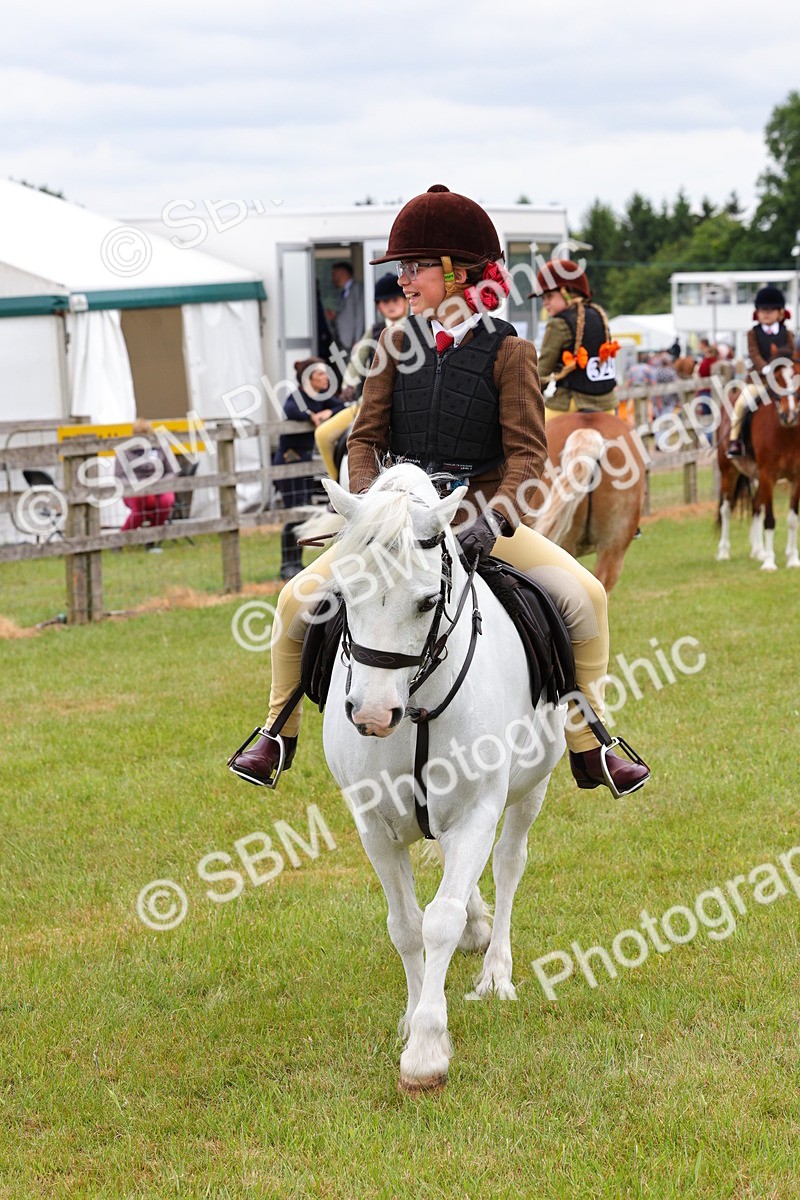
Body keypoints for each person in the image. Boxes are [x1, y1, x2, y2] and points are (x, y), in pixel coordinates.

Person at [229, 184, 649, 799]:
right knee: (295, 601)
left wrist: (494, 519)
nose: (403, 278)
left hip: (478, 519)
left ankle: (592, 743)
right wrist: (373, 509)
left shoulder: (512, 353)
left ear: (457, 273)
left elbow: (528, 453)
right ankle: (276, 733)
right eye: (401, 267)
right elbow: (364, 440)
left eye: (415, 266)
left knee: (586, 596)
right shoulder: (394, 345)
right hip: (395, 525)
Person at [315, 273, 409, 481]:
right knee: (323, 435)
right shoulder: (373, 332)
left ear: (405, 301)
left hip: (406, 404)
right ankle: (338, 486)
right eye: (385, 301)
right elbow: (357, 361)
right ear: (378, 307)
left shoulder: (417, 328)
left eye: (395, 300)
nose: (391, 305)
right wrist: (349, 383)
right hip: (368, 402)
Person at [273, 359, 347, 578]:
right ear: (309, 379)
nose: (326, 378)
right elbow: (290, 410)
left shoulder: (322, 397)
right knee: (293, 512)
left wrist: (325, 414)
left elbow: (340, 406)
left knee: (304, 511)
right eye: (321, 375)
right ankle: (288, 563)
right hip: (289, 461)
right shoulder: (298, 396)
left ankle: (297, 562)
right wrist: (310, 415)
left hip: (304, 463)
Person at [530, 261, 620, 423]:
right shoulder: (599, 315)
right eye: (543, 298)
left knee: (528, 433)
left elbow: (542, 372)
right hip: (608, 405)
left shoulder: (558, 323)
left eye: (549, 296)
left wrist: (528, 398)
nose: (545, 303)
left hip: (570, 404)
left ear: (567, 293)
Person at [727, 285, 796, 458]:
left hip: (783, 381)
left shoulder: (787, 333)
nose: (765, 313)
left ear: (780, 312)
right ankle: (735, 440)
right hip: (760, 380)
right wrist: (765, 366)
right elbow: (754, 353)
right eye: (762, 310)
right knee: (741, 404)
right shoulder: (753, 333)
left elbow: (792, 352)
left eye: (770, 310)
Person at [114, 418, 176, 547]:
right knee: (144, 504)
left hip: (159, 488)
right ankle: (121, 539)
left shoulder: (161, 447)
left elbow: (172, 471)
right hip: (134, 491)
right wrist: (137, 486)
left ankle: (150, 538)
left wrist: (161, 484)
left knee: (166, 501)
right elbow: (119, 477)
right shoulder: (124, 451)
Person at [326, 261, 364, 358]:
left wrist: (358, 339)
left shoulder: (357, 288)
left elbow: (360, 315)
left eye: (334, 274)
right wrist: (335, 318)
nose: (332, 278)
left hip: (351, 342)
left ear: (343, 272)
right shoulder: (344, 292)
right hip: (343, 341)